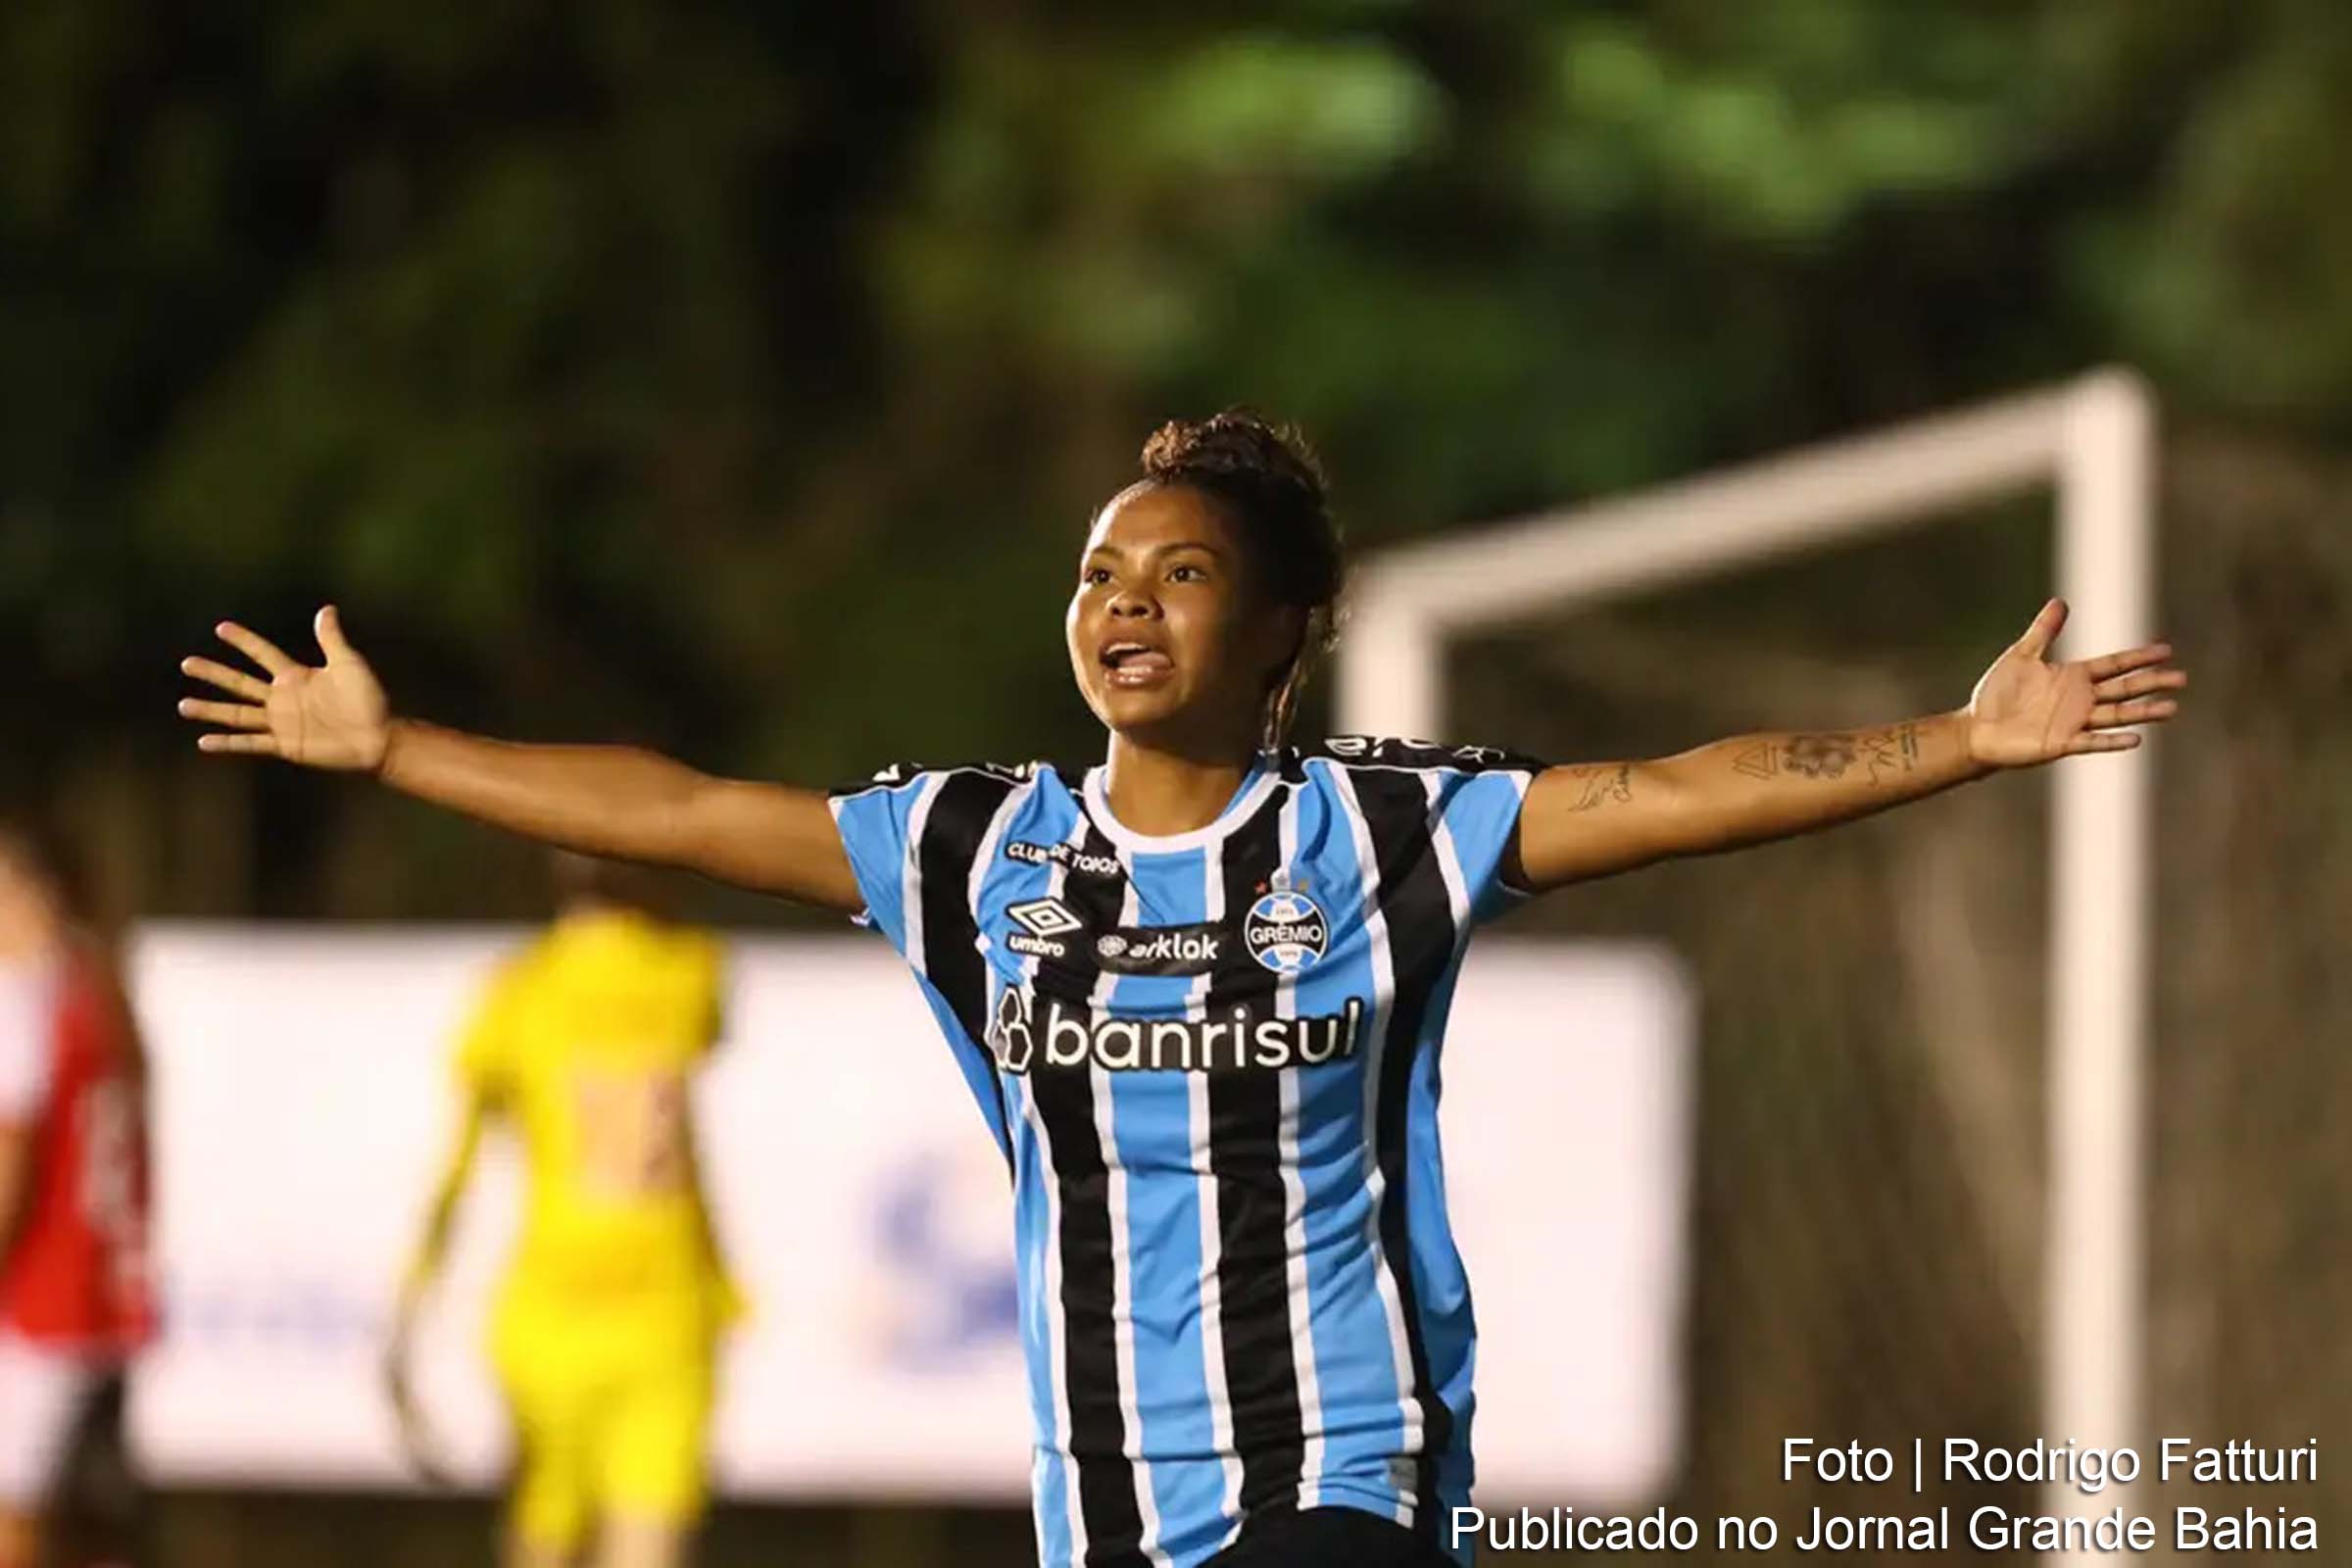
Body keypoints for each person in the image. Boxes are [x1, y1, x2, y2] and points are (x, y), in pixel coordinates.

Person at [174, 411, 2185, 1568]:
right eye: (1099, 573)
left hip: (1351, 1469)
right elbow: (690, 808)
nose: (1123, 601)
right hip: (1109, 1500)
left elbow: (1673, 788)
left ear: (1289, 624)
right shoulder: (974, 850)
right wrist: (395, 746)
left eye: (1182, 570)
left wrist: (1962, 736)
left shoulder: (1389, 832)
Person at [384, 853, 737, 1568]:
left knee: (544, 1535)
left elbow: (459, 1164)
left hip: (550, 1311)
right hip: (665, 1307)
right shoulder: (691, 971)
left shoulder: (519, 989)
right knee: (650, 1541)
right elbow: (704, 1034)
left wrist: (411, 1304)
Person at [0, 822, 154, 1568]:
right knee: (89, 1534)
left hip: (36, 1301)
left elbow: (10, 1166)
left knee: (16, 1526)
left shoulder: (19, 1000)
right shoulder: (101, 990)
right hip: (103, 1300)